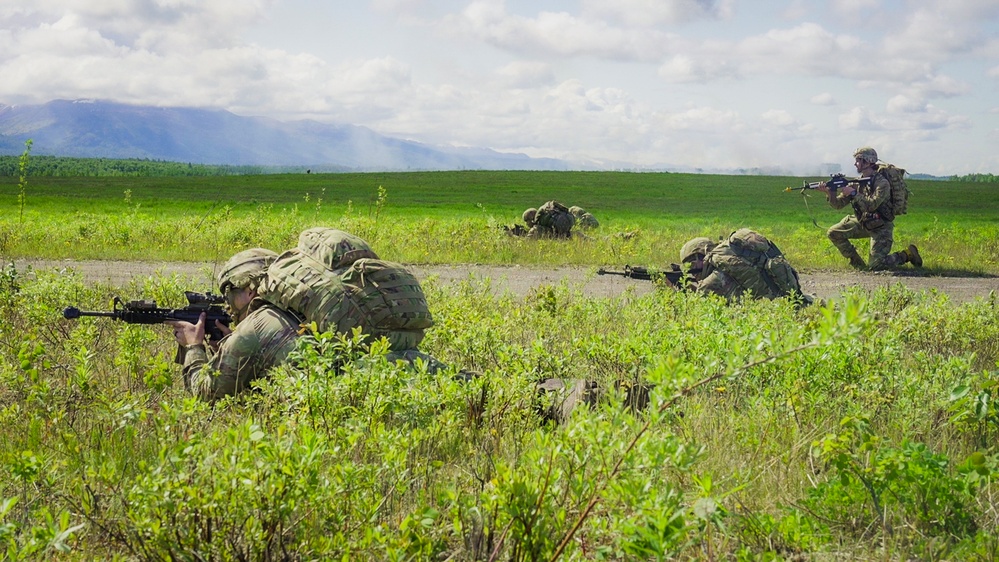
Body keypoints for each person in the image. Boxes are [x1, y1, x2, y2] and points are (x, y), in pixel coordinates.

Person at [167, 248, 302, 401]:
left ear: (250, 291)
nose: (227, 304)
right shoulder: (292, 310)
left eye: (229, 293)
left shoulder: (251, 331)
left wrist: (193, 346)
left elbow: (204, 394)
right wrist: (231, 348)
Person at [817, 147, 921, 270]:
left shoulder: (882, 183)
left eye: (858, 160)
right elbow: (838, 205)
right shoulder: (856, 183)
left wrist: (854, 194)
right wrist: (830, 193)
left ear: (867, 162)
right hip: (863, 222)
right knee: (833, 233)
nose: (855, 164)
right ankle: (859, 265)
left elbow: (872, 205)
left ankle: (907, 254)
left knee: (877, 265)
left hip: (881, 226)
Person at [679, 229, 813, 306]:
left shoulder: (717, 277)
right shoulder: (733, 257)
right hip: (791, 301)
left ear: (702, 255)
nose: (691, 271)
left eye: (691, 264)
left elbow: (697, 308)